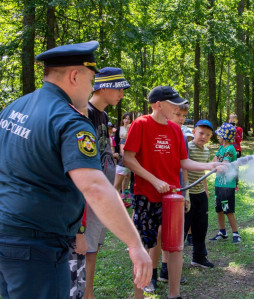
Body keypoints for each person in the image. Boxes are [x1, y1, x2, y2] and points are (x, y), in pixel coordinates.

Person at [0, 41, 151, 298]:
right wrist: (135, 244)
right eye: (92, 78)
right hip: (37, 246)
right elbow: (95, 187)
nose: (92, 86)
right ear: (74, 75)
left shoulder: (15, 108)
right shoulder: (70, 121)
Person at [123, 85, 224, 299]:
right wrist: (153, 180)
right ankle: (138, 295)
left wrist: (209, 166)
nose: (178, 108)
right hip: (145, 197)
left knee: (175, 246)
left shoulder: (175, 130)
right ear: (159, 105)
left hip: (172, 198)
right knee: (144, 247)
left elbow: (183, 161)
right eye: (174, 104)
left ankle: (174, 295)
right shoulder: (140, 124)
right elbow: (128, 158)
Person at [84, 67, 131, 299]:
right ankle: (86, 293)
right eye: (119, 88)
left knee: (95, 245)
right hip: (91, 193)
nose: (122, 93)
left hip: (104, 190)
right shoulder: (85, 113)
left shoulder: (103, 115)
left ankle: (88, 290)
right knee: (87, 245)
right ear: (103, 87)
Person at [157, 102, 191, 285]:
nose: (181, 119)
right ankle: (155, 272)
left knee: (172, 230)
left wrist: (185, 192)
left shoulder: (182, 135)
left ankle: (166, 270)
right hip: (156, 188)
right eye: (178, 115)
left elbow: (184, 165)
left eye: (184, 116)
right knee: (158, 231)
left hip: (175, 189)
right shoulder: (154, 130)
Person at [185, 120, 215, 268]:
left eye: (208, 135)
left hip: (200, 194)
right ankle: (170, 263)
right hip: (187, 194)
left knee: (201, 227)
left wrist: (206, 190)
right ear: (194, 132)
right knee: (183, 227)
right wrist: (185, 193)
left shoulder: (206, 151)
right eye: (201, 133)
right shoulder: (187, 148)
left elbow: (202, 172)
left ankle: (198, 257)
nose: (203, 137)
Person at [210, 122, 242, 244]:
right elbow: (214, 161)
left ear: (225, 136)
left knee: (228, 210)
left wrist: (218, 164)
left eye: (219, 135)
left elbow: (224, 164)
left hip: (227, 186)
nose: (217, 137)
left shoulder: (230, 149)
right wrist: (217, 163)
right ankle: (222, 232)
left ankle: (236, 234)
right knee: (218, 209)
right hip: (219, 183)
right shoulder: (221, 148)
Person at [114, 113, 132, 207]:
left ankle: (123, 199)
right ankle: (117, 202)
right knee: (116, 185)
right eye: (125, 118)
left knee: (125, 183)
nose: (127, 120)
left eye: (128, 119)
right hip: (122, 163)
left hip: (126, 165)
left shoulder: (130, 139)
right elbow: (122, 152)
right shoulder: (123, 138)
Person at [229, 114, 243, 190]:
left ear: (236, 121)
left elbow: (240, 139)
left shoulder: (239, 129)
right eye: (231, 120)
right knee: (227, 165)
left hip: (236, 150)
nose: (232, 122)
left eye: (234, 121)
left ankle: (235, 184)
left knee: (235, 167)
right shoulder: (227, 129)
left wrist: (235, 131)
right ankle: (228, 181)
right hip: (228, 150)